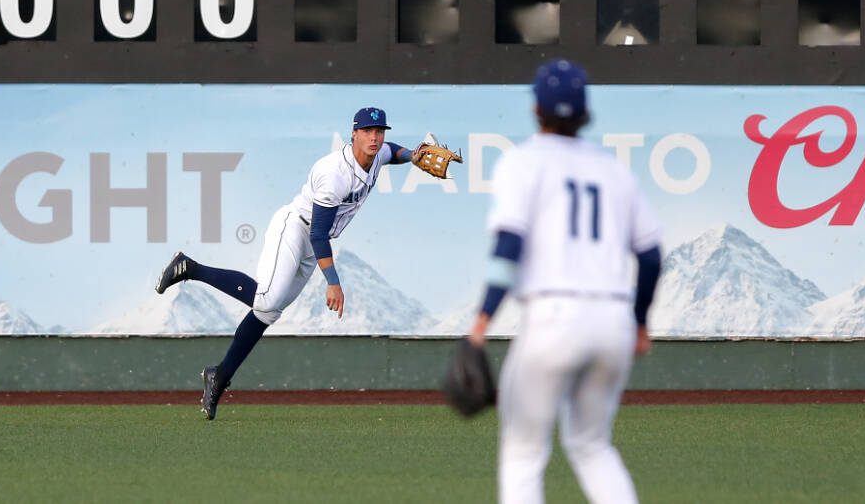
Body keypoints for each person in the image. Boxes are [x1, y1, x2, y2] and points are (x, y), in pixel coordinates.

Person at [467, 59, 663, 504]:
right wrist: (638, 322)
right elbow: (650, 256)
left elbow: (509, 247)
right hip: (612, 319)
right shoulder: (615, 171)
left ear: (536, 109)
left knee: (523, 452)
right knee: (593, 446)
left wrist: (482, 321)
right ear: (585, 112)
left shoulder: (523, 162)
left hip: (552, 318)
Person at [154, 107, 421, 420]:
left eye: (379, 130)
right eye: (367, 131)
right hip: (296, 228)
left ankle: (220, 375)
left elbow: (392, 152)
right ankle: (190, 268)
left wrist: (413, 155)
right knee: (267, 298)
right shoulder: (334, 173)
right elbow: (319, 235)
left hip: (313, 241)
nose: (374, 137)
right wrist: (333, 281)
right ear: (354, 134)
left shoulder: (376, 153)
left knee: (268, 311)